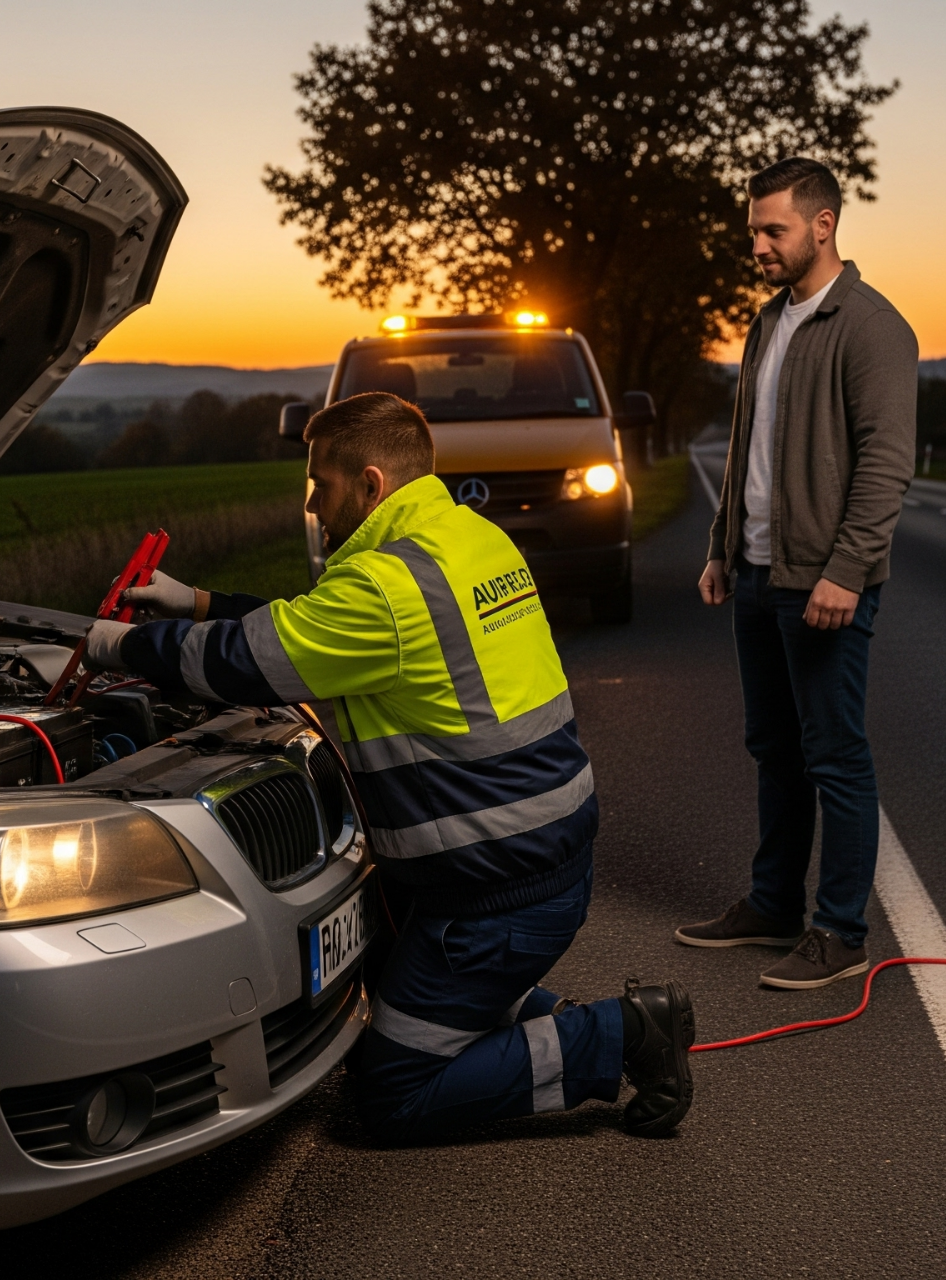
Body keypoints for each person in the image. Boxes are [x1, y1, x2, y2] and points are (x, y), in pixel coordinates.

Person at [84, 391, 695, 1141]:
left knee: (391, 1091)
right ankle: (537, 1017)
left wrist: (115, 645)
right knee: (414, 1004)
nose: (311, 504)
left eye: (322, 484)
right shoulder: (466, 540)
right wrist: (198, 600)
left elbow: (252, 657)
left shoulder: (385, 588)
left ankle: (622, 1037)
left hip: (494, 902)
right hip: (537, 861)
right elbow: (311, 630)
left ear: (371, 485)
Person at [681, 157, 918, 988]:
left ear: (823, 225)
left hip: (823, 582)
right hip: (755, 572)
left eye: (772, 229)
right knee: (773, 748)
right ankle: (772, 904)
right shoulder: (766, 322)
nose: (757, 245)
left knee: (834, 753)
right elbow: (749, 446)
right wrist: (720, 546)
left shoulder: (872, 327)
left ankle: (842, 933)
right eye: (752, 230)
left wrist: (847, 570)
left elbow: (887, 463)